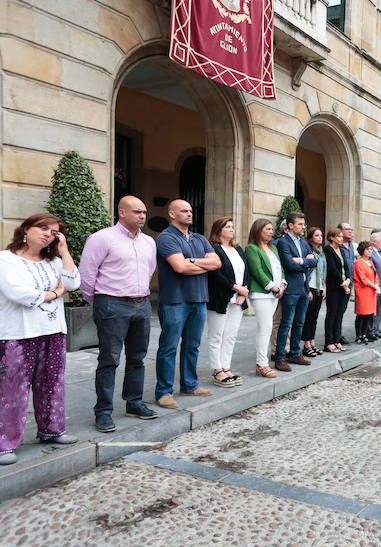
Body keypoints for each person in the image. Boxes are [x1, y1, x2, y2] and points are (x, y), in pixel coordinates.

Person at [0, 214, 81, 465]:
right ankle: (5, 442)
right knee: (13, 390)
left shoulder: (54, 261)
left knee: (53, 384)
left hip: (53, 331)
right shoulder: (5, 260)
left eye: (55, 232)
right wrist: (56, 293)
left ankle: (51, 429)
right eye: (43, 228)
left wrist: (64, 250)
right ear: (26, 229)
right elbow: (19, 293)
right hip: (18, 333)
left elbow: (74, 283)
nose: (48, 234)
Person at [79, 196, 158, 434]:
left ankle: (133, 403)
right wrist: (101, 302)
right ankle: (103, 411)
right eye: (137, 212)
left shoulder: (148, 242)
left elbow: (150, 270)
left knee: (137, 358)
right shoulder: (102, 238)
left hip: (141, 304)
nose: (142, 216)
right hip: (111, 304)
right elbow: (87, 274)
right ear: (121, 213)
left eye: (144, 212)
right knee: (109, 360)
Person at [154, 200, 220, 408]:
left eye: (191, 210)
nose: (190, 214)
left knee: (192, 346)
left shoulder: (199, 238)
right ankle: (163, 392)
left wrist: (190, 261)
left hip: (199, 299)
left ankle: (189, 385)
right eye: (184, 211)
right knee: (169, 347)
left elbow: (216, 263)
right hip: (175, 300)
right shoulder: (166, 238)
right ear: (172, 214)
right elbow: (179, 267)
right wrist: (200, 264)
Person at [205, 217, 248, 389]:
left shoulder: (238, 249)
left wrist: (244, 292)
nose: (231, 229)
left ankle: (226, 367)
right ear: (219, 230)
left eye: (232, 226)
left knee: (230, 334)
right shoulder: (213, 249)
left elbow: (247, 270)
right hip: (220, 298)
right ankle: (217, 370)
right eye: (227, 227)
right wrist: (236, 287)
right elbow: (215, 274)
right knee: (216, 335)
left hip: (237, 298)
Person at [273, 212, 316, 371]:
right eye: (300, 224)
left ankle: (295, 353)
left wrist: (300, 261)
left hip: (304, 289)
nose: (303, 227)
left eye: (304, 224)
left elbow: (315, 262)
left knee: (299, 323)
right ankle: (280, 357)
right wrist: (306, 261)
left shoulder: (304, 243)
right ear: (290, 225)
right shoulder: (283, 243)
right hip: (291, 289)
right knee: (286, 323)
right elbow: (289, 265)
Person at [245, 219, 285, 378]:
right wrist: (272, 287)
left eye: (271, 229)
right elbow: (257, 271)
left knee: (266, 327)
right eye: (267, 229)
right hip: (261, 293)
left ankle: (261, 363)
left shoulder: (273, 248)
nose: (271, 232)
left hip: (276, 293)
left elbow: (280, 269)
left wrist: (282, 285)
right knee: (266, 326)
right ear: (258, 230)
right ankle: (262, 364)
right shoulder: (251, 248)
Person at [323, 227, 351, 352]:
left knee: (339, 314)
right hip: (334, 287)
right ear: (331, 237)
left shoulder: (342, 250)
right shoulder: (328, 249)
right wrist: (343, 284)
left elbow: (347, 267)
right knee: (332, 313)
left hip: (344, 286)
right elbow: (333, 269)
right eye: (338, 236)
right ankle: (329, 342)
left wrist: (348, 280)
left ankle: (337, 340)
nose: (341, 238)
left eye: (341, 236)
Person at [301, 227, 326, 358]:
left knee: (315, 317)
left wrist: (324, 286)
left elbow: (322, 272)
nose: (320, 238)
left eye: (321, 235)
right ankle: (306, 345)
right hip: (310, 287)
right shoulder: (308, 252)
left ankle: (312, 342)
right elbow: (306, 272)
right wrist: (307, 289)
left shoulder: (321, 252)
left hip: (319, 287)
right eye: (317, 235)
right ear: (310, 238)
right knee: (308, 317)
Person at [352, 241, 380, 344]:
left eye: (371, 250)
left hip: (371, 291)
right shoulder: (358, 263)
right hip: (363, 291)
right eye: (368, 249)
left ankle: (364, 334)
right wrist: (375, 286)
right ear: (362, 250)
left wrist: (377, 285)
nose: (370, 251)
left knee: (369, 314)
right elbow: (363, 279)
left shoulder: (370, 262)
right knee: (362, 314)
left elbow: (375, 275)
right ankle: (358, 335)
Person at [337, 222, 355, 346]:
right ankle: (335, 336)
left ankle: (338, 334)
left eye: (350, 229)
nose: (350, 231)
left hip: (349, 282)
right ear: (340, 231)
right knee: (336, 311)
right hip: (339, 283)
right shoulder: (336, 246)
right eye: (347, 229)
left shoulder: (351, 245)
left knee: (342, 310)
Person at [368, 229, 381, 340]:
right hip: (375, 286)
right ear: (374, 241)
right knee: (373, 310)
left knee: (380, 310)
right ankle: (370, 331)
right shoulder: (372, 253)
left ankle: (376, 329)